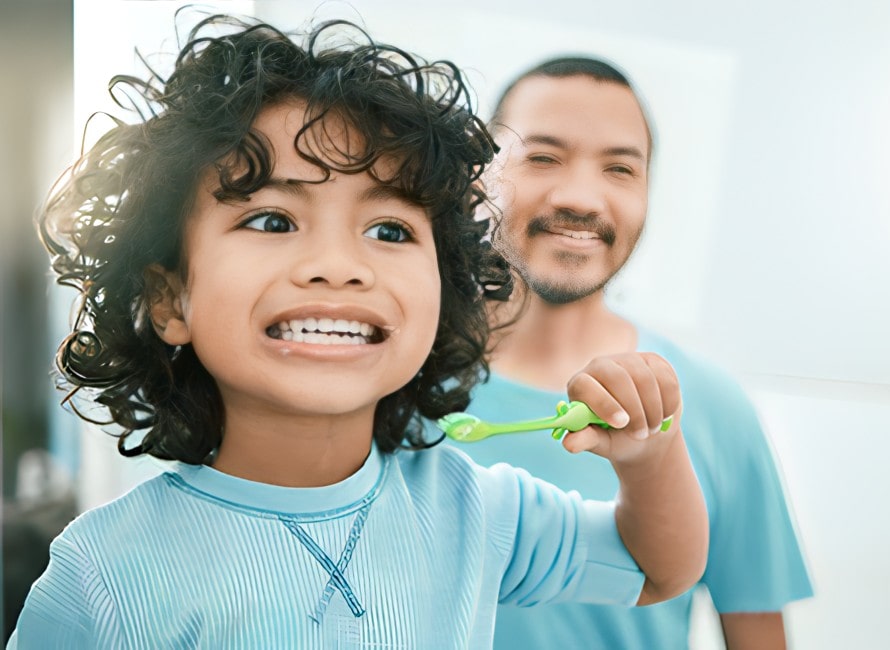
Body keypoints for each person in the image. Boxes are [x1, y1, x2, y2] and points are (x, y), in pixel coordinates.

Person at [8, 16, 708, 648]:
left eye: (389, 230)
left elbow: (656, 568)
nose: (339, 268)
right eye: (274, 221)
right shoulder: (101, 574)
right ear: (169, 299)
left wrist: (647, 459)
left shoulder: (474, 510)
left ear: (445, 289)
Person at [446, 57, 813, 649]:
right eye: (543, 157)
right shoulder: (393, 377)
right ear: (480, 177)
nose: (582, 198)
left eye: (620, 169)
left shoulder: (711, 406)